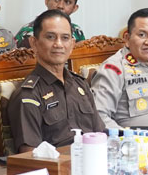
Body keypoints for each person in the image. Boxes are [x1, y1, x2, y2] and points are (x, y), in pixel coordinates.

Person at [8, 10, 105, 151]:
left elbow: (100, 135)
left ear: (72, 44)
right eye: (50, 37)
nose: (58, 44)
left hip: (93, 158)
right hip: (57, 163)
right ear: (34, 43)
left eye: (65, 38)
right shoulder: (29, 95)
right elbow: (29, 155)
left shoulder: (80, 84)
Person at [13, 0, 86, 47]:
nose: (60, 6)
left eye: (67, 2)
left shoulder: (77, 30)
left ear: (74, 8)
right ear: (47, 1)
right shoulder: (28, 31)